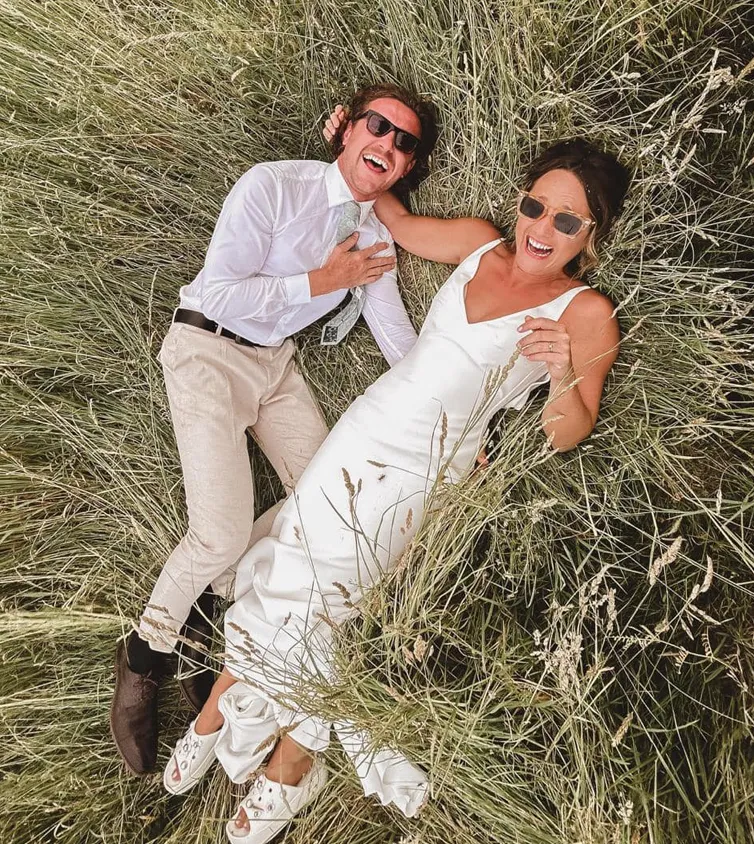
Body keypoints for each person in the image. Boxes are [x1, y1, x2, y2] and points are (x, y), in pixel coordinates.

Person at [161, 130, 631, 844]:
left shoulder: (585, 312)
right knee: (291, 552)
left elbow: (567, 431)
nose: (542, 229)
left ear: (591, 233)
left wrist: (565, 368)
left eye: (566, 221)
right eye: (536, 206)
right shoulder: (478, 243)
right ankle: (217, 712)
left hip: (430, 464)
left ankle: (288, 768)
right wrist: (357, 150)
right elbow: (390, 216)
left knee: (334, 601)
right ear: (520, 201)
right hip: (369, 423)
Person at [110, 83, 439, 776]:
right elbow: (222, 288)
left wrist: (445, 401)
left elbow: (390, 328)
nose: (388, 144)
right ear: (346, 130)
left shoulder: (375, 233)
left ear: (406, 167)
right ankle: (146, 652)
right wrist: (325, 278)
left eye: (404, 141)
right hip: (206, 350)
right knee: (220, 531)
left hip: (275, 368)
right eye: (378, 127)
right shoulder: (272, 187)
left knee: (333, 504)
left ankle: (213, 606)